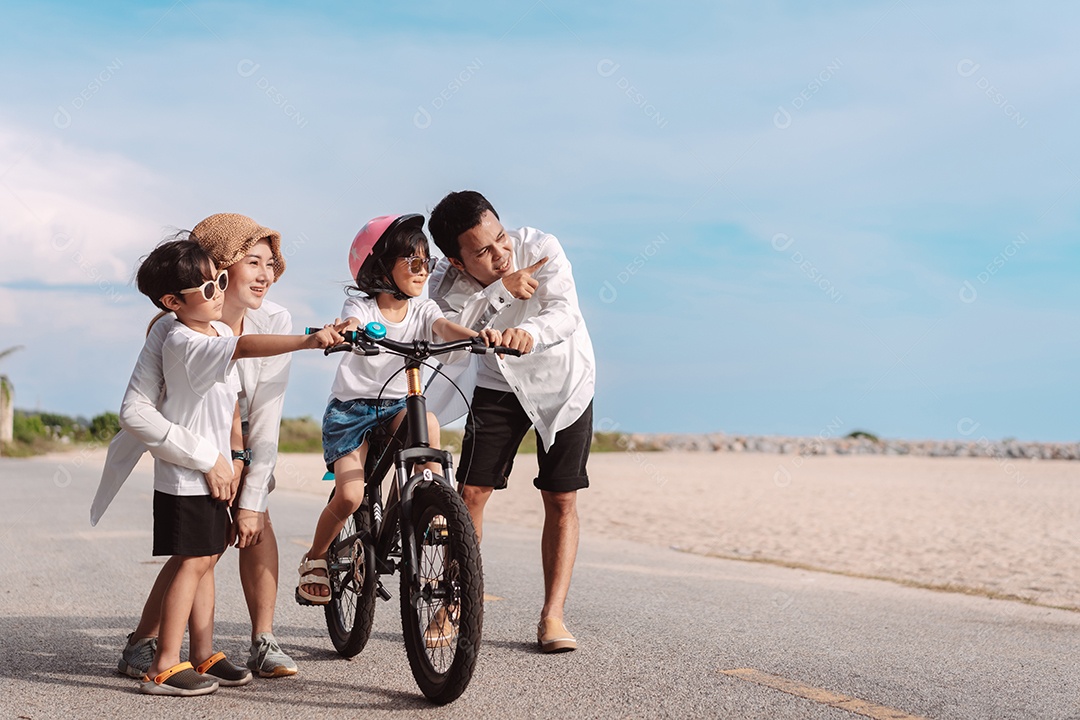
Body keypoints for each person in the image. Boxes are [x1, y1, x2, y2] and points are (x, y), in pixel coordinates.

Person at [92, 213, 304, 679]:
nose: (267, 274)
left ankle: (256, 641)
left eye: (271, 262)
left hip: (237, 439)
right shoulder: (171, 330)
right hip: (189, 450)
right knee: (199, 552)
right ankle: (154, 650)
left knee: (246, 524)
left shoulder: (271, 319)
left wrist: (247, 482)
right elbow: (138, 411)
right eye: (253, 262)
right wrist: (209, 459)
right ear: (220, 267)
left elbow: (263, 414)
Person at [127, 237, 341, 696]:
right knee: (193, 561)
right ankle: (164, 663)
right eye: (208, 288)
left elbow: (229, 410)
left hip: (217, 471)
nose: (218, 292)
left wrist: (237, 459)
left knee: (207, 559)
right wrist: (307, 340)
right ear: (172, 302)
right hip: (187, 474)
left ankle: (203, 652)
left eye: (219, 281)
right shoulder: (184, 340)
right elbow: (245, 347)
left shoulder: (215, 333)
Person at [296, 213, 499, 645]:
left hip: (396, 404)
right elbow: (350, 321)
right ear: (379, 265)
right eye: (411, 260)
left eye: (425, 260)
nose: (422, 268)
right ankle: (315, 557)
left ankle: (422, 497)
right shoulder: (364, 306)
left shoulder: (424, 308)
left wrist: (475, 336)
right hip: (352, 411)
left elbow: (442, 326)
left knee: (426, 421)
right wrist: (346, 333)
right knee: (350, 496)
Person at [427, 191, 595, 653]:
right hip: (497, 383)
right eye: (482, 251)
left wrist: (530, 332)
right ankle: (452, 602)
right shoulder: (443, 282)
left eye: (500, 238)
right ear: (456, 261)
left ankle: (553, 616)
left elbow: (565, 312)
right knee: (471, 493)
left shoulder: (542, 246)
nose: (501, 254)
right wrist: (501, 291)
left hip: (563, 383)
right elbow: (449, 328)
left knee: (560, 497)